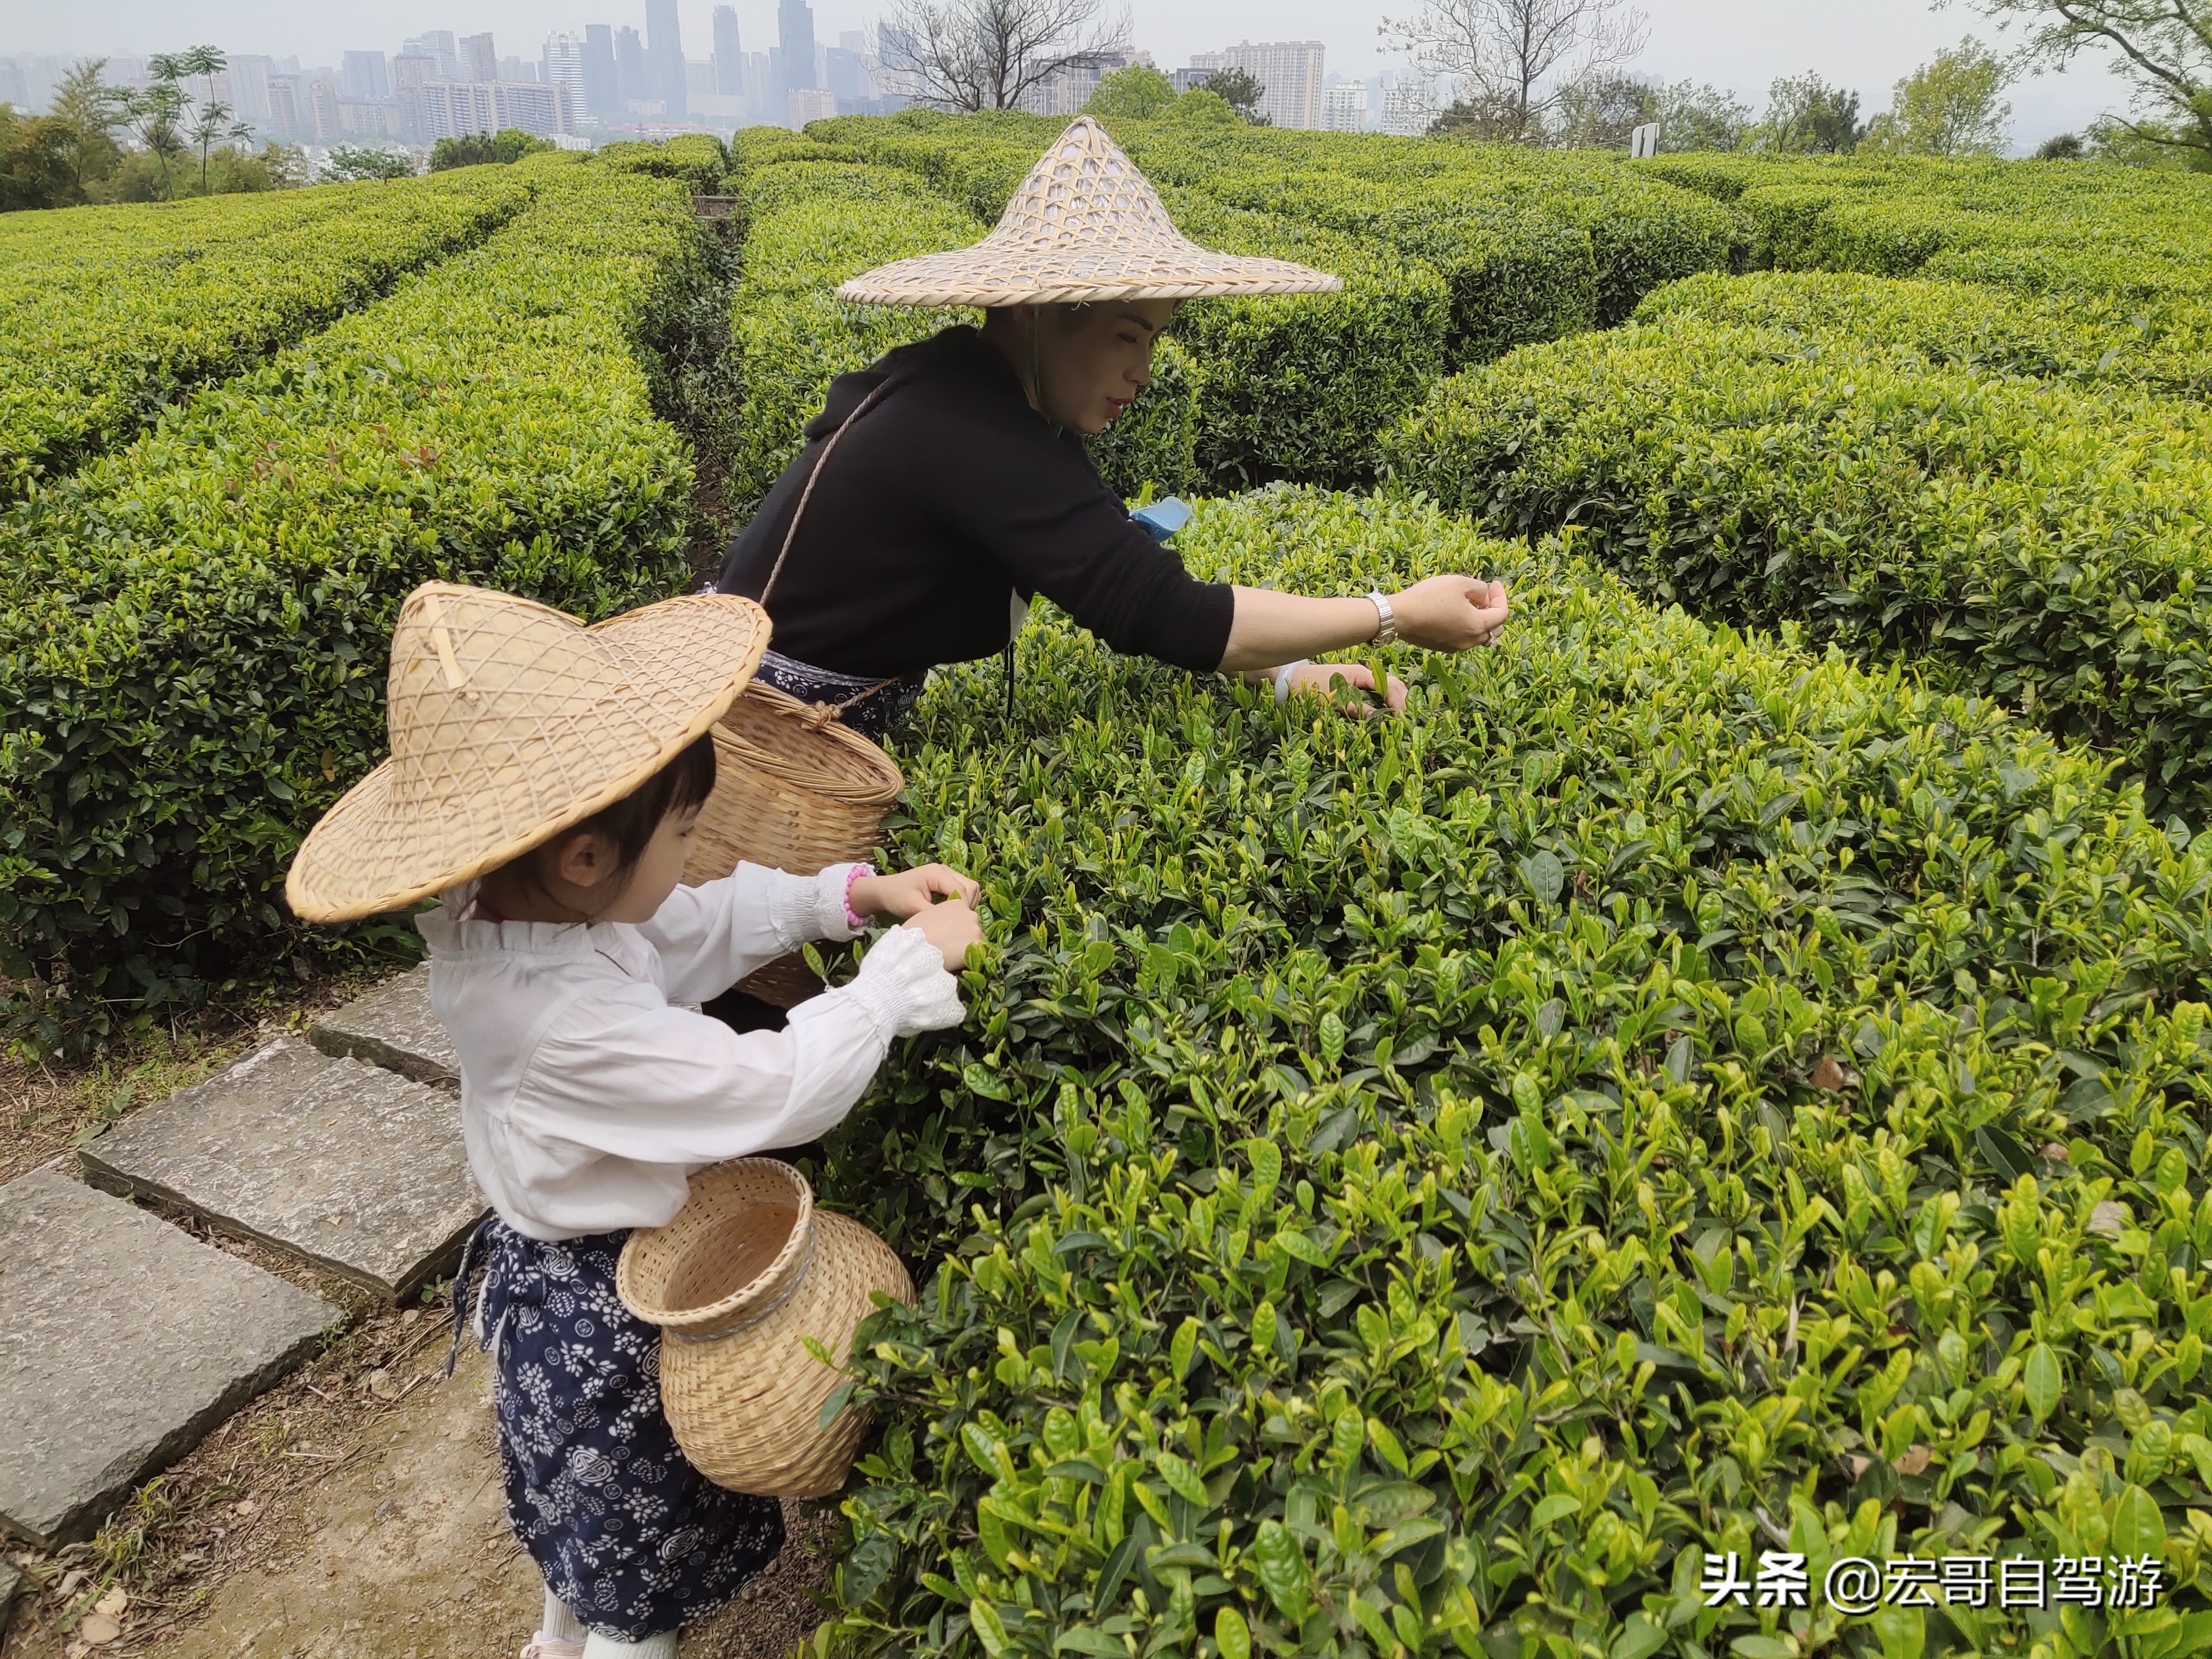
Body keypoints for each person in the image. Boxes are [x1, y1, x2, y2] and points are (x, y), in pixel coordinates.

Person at [284, 582, 984, 1659]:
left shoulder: (511, 927)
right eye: (684, 831)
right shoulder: (565, 1024)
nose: (692, 855)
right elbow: (769, 1088)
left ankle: (553, 1643)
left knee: (579, 1527)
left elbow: (680, 928)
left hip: (549, 1275)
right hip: (603, 1312)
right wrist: (891, 983)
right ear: (583, 859)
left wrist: (846, 898)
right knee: (634, 1574)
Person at [711, 114, 1511, 744]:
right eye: (1128, 335)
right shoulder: (969, 429)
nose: (1144, 371)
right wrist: (1395, 612)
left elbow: (1119, 577)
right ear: (1034, 313)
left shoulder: (972, 391)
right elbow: (1169, 614)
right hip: (763, 735)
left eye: (1154, 339)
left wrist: (1285, 673)